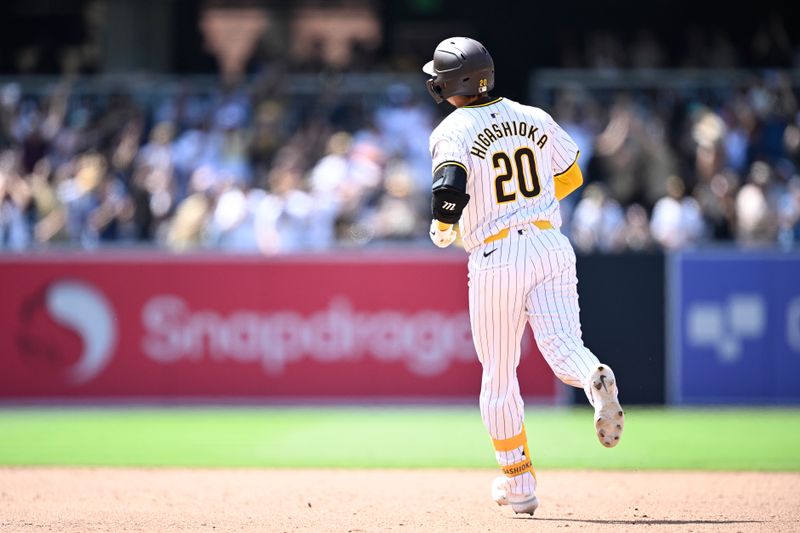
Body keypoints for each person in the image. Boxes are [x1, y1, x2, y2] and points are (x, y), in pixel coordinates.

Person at [423, 37, 625, 516]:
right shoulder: (533, 115)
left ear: (455, 83)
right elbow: (572, 175)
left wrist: (444, 224)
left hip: (497, 252)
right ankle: (593, 377)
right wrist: (529, 203)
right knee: (564, 351)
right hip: (551, 242)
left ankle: (520, 487)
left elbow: (449, 185)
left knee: (498, 376)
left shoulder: (454, 127)